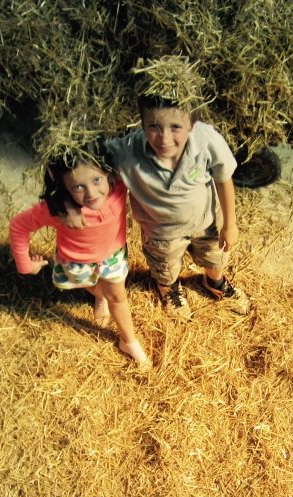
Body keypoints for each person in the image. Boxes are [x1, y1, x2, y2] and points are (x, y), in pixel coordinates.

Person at [105, 61, 251, 320]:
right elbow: (90, 159)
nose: (164, 138)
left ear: (192, 124)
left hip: (207, 224)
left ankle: (215, 283)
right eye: (153, 127)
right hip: (161, 231)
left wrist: (230, 223)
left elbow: (224, 177)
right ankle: (169, 289)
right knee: (165, 266)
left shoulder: (206, 140)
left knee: (215, 257)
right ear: (142, 123)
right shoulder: (127, 151)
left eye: (175, 128)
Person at [9, 145, 150, 368]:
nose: (91, 194)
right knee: (93, 287)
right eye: (78, 187)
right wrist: (25, 264)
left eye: (96, 180)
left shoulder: (119, 187)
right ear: (65, 188)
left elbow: (136, 153)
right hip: (76, 263)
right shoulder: (57, 210)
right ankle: (99, 295)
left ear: (108, 173)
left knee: (118, 297)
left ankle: (129, 341)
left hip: (112, 257)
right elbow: (19, 226)